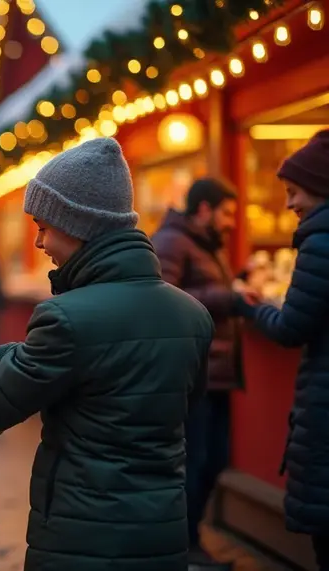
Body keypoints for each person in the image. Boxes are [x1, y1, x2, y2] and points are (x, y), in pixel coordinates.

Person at [0, 138, 214, 571]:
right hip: (161, 529)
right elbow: (105, 376)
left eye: (43, 226)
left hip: (83, 533)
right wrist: (0, 356)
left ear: (77, 225)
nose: (38, 242)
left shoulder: (66, 317)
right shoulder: (192, 314)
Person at [235, 129, 329, 569]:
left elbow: (292, 327)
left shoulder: (320, 241)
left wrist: (252, 308)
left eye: (294, 192)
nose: (289, 203)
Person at [152, 178, 255, 568]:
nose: (232, 222)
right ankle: (185, 545)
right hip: (195, 377)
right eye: (227, 212)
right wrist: (229, 298)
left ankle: (193, 540)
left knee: (212, 461)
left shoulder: (207, 245)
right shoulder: (173, 242)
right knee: (194, 462)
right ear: (204, 209)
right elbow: (163, 298)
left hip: (216, 374)